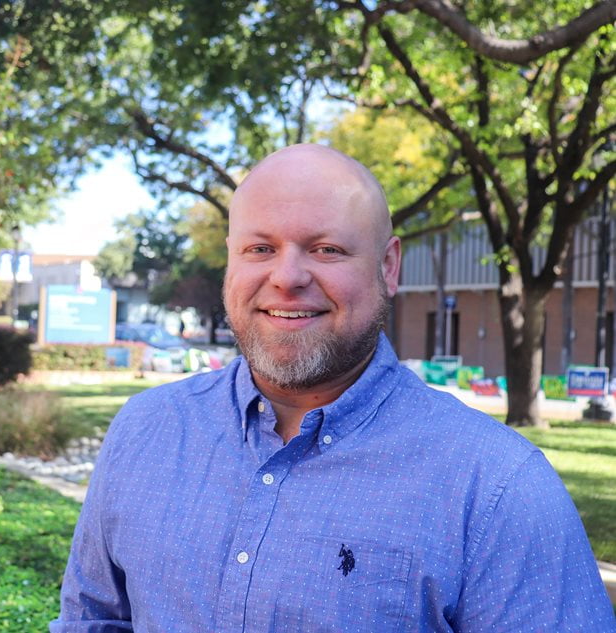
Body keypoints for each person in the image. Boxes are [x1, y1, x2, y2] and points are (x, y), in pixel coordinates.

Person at [50, 144, 616, 632]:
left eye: (326, 249)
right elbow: (93, 619)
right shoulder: (144, 432)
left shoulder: (497, 489)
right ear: (231, 261)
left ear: (389, 267)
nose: (288, 276)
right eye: (260, 248)